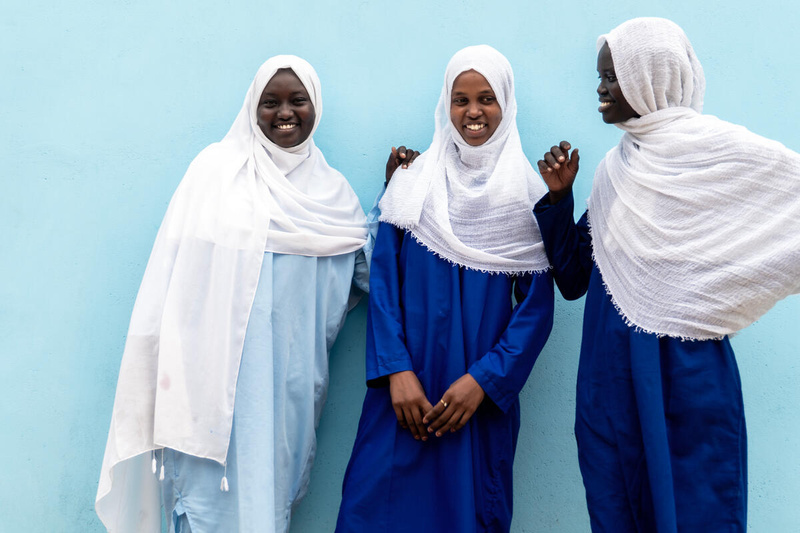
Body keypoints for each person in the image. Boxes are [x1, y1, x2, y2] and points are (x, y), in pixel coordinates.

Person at [533, 18, 800, 532]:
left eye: (611, 77)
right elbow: (573, 279)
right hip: (609, 383)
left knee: (697, 508)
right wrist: (561, 200)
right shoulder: (616, 171)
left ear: (648, 77)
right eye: (602, 77)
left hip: (686, 377)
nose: (600, 88)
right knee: (618, 508)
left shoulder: (718, 153)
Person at [95, 55, 372, 533]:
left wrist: (404, 190)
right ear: (252, 108)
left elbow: (371, 272)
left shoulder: (334, 197)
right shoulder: (214, 174)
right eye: (270, 102)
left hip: (285, 388)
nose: (284, 112)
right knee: (203, 507)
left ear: (315, 107)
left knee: (267, 504)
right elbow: (174, 275)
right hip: (207, 388)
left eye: (297, 100)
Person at [335, 45, 555, 533]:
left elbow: (536, 310)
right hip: (403, 400)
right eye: (460, 99)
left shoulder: (525, 196)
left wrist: (484, 382)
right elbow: (385, 285)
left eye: (486, 99)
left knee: (468, 514)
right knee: (373, 512)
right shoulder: (412, 185)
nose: (473, 112)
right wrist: (396, 372)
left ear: (506, 105)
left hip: (473, 406)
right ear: (445, 105)